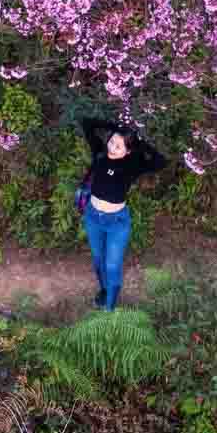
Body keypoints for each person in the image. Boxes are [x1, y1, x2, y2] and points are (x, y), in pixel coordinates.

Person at [79, 117, 167, 310]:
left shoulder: (132, 163)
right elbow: (87, 123)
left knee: (112, 266)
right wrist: (116, 128)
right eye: (111, 142)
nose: (112, 148)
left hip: (116, 222)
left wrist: (139, 142)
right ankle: (104, 292)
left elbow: (161, 162)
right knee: (98, 261)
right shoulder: (100, 154)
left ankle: (109, 308)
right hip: (93, 217)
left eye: (118, 147)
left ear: (128, 150)